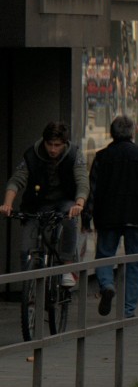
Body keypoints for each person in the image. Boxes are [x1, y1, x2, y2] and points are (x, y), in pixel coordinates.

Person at [83, 115, 138, 318]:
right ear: (132, 132)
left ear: (111, 133)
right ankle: (128, 310)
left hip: (108, 216)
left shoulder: (102, 157)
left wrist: (86, 218)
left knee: (104, 256)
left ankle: (106, 286)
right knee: (134, 264)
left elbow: (92, 191)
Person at [1, 122, 88, 287]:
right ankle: (30, 286)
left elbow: (82, 180)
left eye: (57, 145)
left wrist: (79, 203)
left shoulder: (74, 154)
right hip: (37, 203)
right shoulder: (32, 155)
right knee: (25, 248)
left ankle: (67, 266)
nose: (53, 149)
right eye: (49, 144)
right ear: (44, 141)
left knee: (70, 217)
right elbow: (17, 179)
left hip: (65, 200)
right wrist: (7, 204)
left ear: (64, 144)